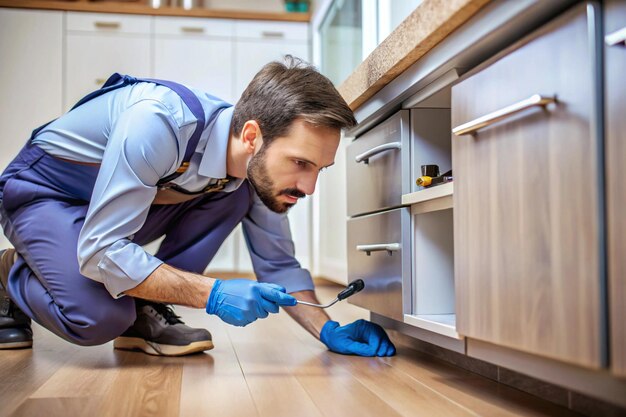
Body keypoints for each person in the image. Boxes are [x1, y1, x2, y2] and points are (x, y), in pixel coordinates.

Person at [0, 56, 396, 357]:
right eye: (300, 163)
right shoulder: (160, 123)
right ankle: (10, 271)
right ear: (253, 135)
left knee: (236, 194)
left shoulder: (250, 173)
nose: (309, 186)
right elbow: (102, 250)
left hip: (113, 212)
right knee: (98, 318)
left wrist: (326, 330)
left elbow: (278, 265)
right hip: (44, 194)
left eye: (320, 169)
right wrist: (213, 293)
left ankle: (143, 311)